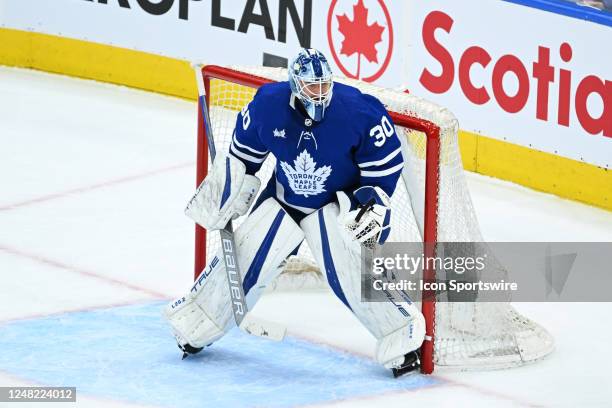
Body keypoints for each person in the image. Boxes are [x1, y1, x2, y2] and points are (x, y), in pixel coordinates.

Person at [163, 48, 425, 376]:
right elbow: (243, 156)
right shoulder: (268, 105)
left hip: (332, 204)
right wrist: (228, 190)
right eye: (311, 86)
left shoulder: (358, 112)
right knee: (245, 258)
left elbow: (383, 168)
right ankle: (196, 328)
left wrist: (368, 205)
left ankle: (401, 338)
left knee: (348, 269)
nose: (319, 93)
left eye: (323, 85)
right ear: (295, 85)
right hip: (284, 199)